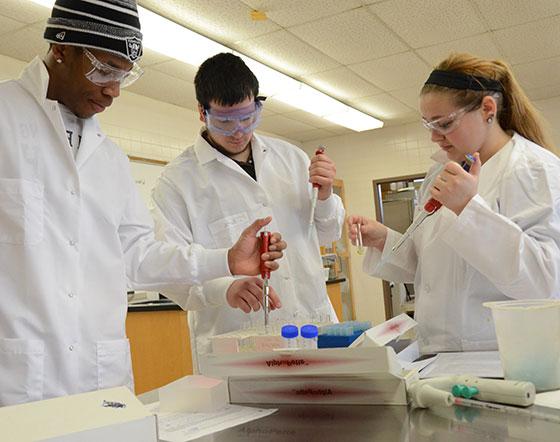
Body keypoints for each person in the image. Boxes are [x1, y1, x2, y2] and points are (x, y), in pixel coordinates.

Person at [0, 0, 286, 407]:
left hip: (101, 382)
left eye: (124, 75)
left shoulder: (109, 158)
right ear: (60, 48)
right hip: (16, 384)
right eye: (103, 70)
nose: (113, 89)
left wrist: (224, 259)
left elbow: (139, 257)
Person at [348, 52, 560, 355]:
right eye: (428, 124)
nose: (435, 137)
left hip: (502, 356)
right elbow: (431, 268)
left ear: (488, 108)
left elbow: (545, 283)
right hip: (437, 351)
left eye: (444, 123)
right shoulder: (442, 172)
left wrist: (468, 210)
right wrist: (383, 239)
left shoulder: (533, 169)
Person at [152, 52, 345, 368]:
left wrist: (324, 196)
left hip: (312, 328)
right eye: (225, 121)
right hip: (237, 346)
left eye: (248, 117)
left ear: (258, 104)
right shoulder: (177, 182)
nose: (239, 130)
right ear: (202, 113)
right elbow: (167, 268)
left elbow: (328, 232)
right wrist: (223, 289)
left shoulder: (292, 159)